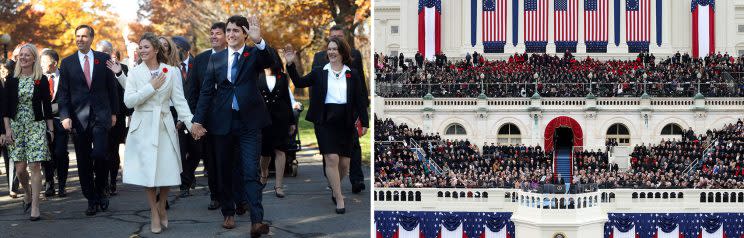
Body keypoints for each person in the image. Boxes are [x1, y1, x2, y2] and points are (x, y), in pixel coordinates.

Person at [191, 15, 272, 235]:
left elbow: (270, 62)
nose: (230, 34)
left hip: (249, 123)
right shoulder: (216, 59)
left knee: (250, 172)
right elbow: (206, 92)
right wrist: (197, 120)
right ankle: (228, 212)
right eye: (228, 30)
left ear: (245, 34)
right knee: (223, 170)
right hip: (222, 123)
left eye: (236, 30)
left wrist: (260, 41)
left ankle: (257, 221)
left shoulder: (253, 53)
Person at [111, 32, 194, 234]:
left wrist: (192, 125)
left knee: (166, 171)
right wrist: (150, 87)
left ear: (156, 49)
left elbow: (180, 102)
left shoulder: (171, 71)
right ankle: (154, 212)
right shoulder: (134, 72)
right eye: (140, 47)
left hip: (165, 125)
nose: (142, 50)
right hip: (142, 126)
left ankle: (161, 204)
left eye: (146, 47)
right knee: (149, 173)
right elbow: (129, 101)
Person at [284, 37, 370, 214]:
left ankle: (335, 185)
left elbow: (360, 99)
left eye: (334, 49)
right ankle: (339, 197)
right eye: (329, 49)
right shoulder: (319, 72)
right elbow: (299, 82)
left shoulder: (351, 74)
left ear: (342, 52)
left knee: (345, 163)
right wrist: (291, 65)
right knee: (331, 159)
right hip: (325, 121)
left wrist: (365, 122)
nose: (331, 52)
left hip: (346, 122)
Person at [57, 25, 120, 216]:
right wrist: (65, 116)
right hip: (77, 119)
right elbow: (63, 93)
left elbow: (112, 88)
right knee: (83, 161)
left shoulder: (103, 59)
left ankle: (101, 190)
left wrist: (114, 112)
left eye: (84, 36)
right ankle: (91, 199)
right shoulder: (67, 63)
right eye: (77, 36)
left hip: (101, 116)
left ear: (92, 38)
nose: (80, 39)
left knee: (101, 154)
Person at [310, 25, 368, 194]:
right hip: (327, 112)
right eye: (333, 36)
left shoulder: (354, 55)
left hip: (350, 108)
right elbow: (313, 84)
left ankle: (356, 179)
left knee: (352, 146)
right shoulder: (319, 57)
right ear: (328, 38)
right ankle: (332, 180)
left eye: (340, 36)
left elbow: (360, 81)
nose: (337, 38)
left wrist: (363, 107)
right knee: (330, 151)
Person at [2, 43, 54, 221]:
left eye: (27, 55)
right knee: (20, 170)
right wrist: (7, 129)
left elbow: (47, 105)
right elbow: (6, 108)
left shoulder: (40, 79)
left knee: (35, 166)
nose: (23, 57)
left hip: (36, 126)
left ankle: (35, 206)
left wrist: (50, 129)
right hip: (17, 126)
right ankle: (27, 192)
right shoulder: (11, 79)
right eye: (21, 55)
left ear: (34, 58)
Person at [187, 22, 227, 210]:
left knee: (230, 158)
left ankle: (235, 194)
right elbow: (193, 90)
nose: (213, 37)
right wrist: (197, 119)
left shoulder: (233, 57)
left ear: (226, 36)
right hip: (208, 119)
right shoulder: (201, 60)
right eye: (211, 34)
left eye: (218, 33)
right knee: (211, 159)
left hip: (231, 117)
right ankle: (215, 195)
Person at [258, 48, 295, 198]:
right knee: (265, 154)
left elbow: (287, 99)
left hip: (281, 119)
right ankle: (264, 173)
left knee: (280, 151)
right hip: (262, 120)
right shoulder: (257, 76)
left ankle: (279, 186)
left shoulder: (282, 76)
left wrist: (292, 121)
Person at [170, 35, 201, 198]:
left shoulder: (198, 64)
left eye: (178, 49)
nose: (174, 52)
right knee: (180, 153)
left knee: (197, 151)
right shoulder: (169, 67)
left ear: (186, 50)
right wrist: (178, 118)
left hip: (196, 116)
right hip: (176, 117)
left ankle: (189, 174)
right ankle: (184, 184)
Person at [98, 40, 129, 197]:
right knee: (101, 150)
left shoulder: (122, 68)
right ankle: (102, 182)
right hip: (99, 115)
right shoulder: (95, 68)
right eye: (100, 51)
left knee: (113, 149)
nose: (103, 54)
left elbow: (127, 91)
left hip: (118, 114)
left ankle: (112, 182)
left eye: (105, 51)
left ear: (111, 53)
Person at [39, 48, 70, 197]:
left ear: (54, 63)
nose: (42, 64)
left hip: (60, 121)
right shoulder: (37, 78)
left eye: (44, 62)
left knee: (60, 152)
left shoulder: (65, 76)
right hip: (43, 121)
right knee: (47, 154)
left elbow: (70, 97)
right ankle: (49, 183)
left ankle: (62, 185)